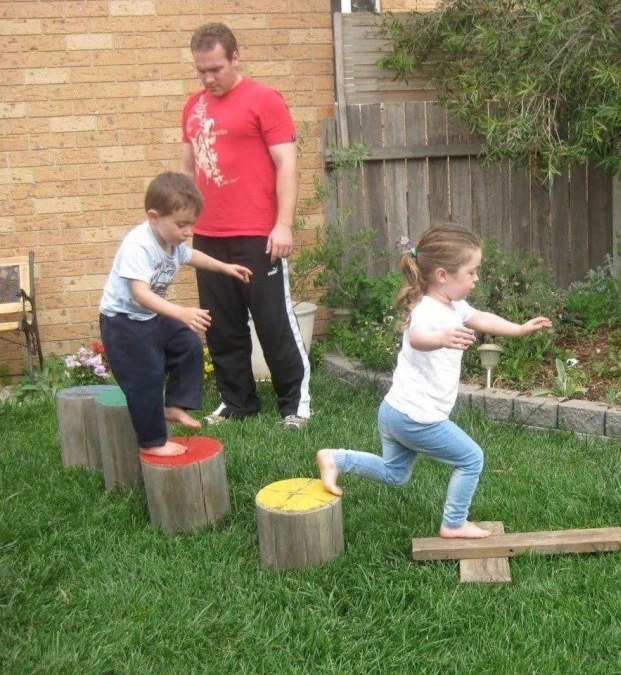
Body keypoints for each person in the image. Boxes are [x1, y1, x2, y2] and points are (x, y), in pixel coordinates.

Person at [317, 223, 553, 539]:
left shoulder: (452, 304)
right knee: (472, 459)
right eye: (471, 272)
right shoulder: (428, 311)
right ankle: (453, 523)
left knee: (394, 474)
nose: (476, 278)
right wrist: (441, 337)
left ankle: (335, 458)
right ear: (443, 276)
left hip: (395, 412)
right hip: (417, 419)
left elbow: (482, 318)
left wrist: (520, 328)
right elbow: (416, 338)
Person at [180, 22, 312, 430]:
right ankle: (237, 402)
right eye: (201, 70)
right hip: (209, 236)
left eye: (216, 68)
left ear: (235, 58)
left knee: (272, 321)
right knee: (221, 325)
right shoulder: (193, 106)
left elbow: (286, 164)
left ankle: (295, 404)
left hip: (258, 233)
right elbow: (189, 166)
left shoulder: (265, 100)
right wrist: (184, 221)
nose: (208, 78)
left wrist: (283, 225)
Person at [99, 172, 252, 456]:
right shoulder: (139, 245)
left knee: (188, 345)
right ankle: (152, 442)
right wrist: (180, 312)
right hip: (123, 323)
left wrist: (225, 267)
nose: (188, 232)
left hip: (148, 316)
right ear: (154, 217)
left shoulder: (172, 242)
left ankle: (174, 405)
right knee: (146, 378)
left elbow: (192, 256)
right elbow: (140, 293)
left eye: (192, 224)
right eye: (182, 225)